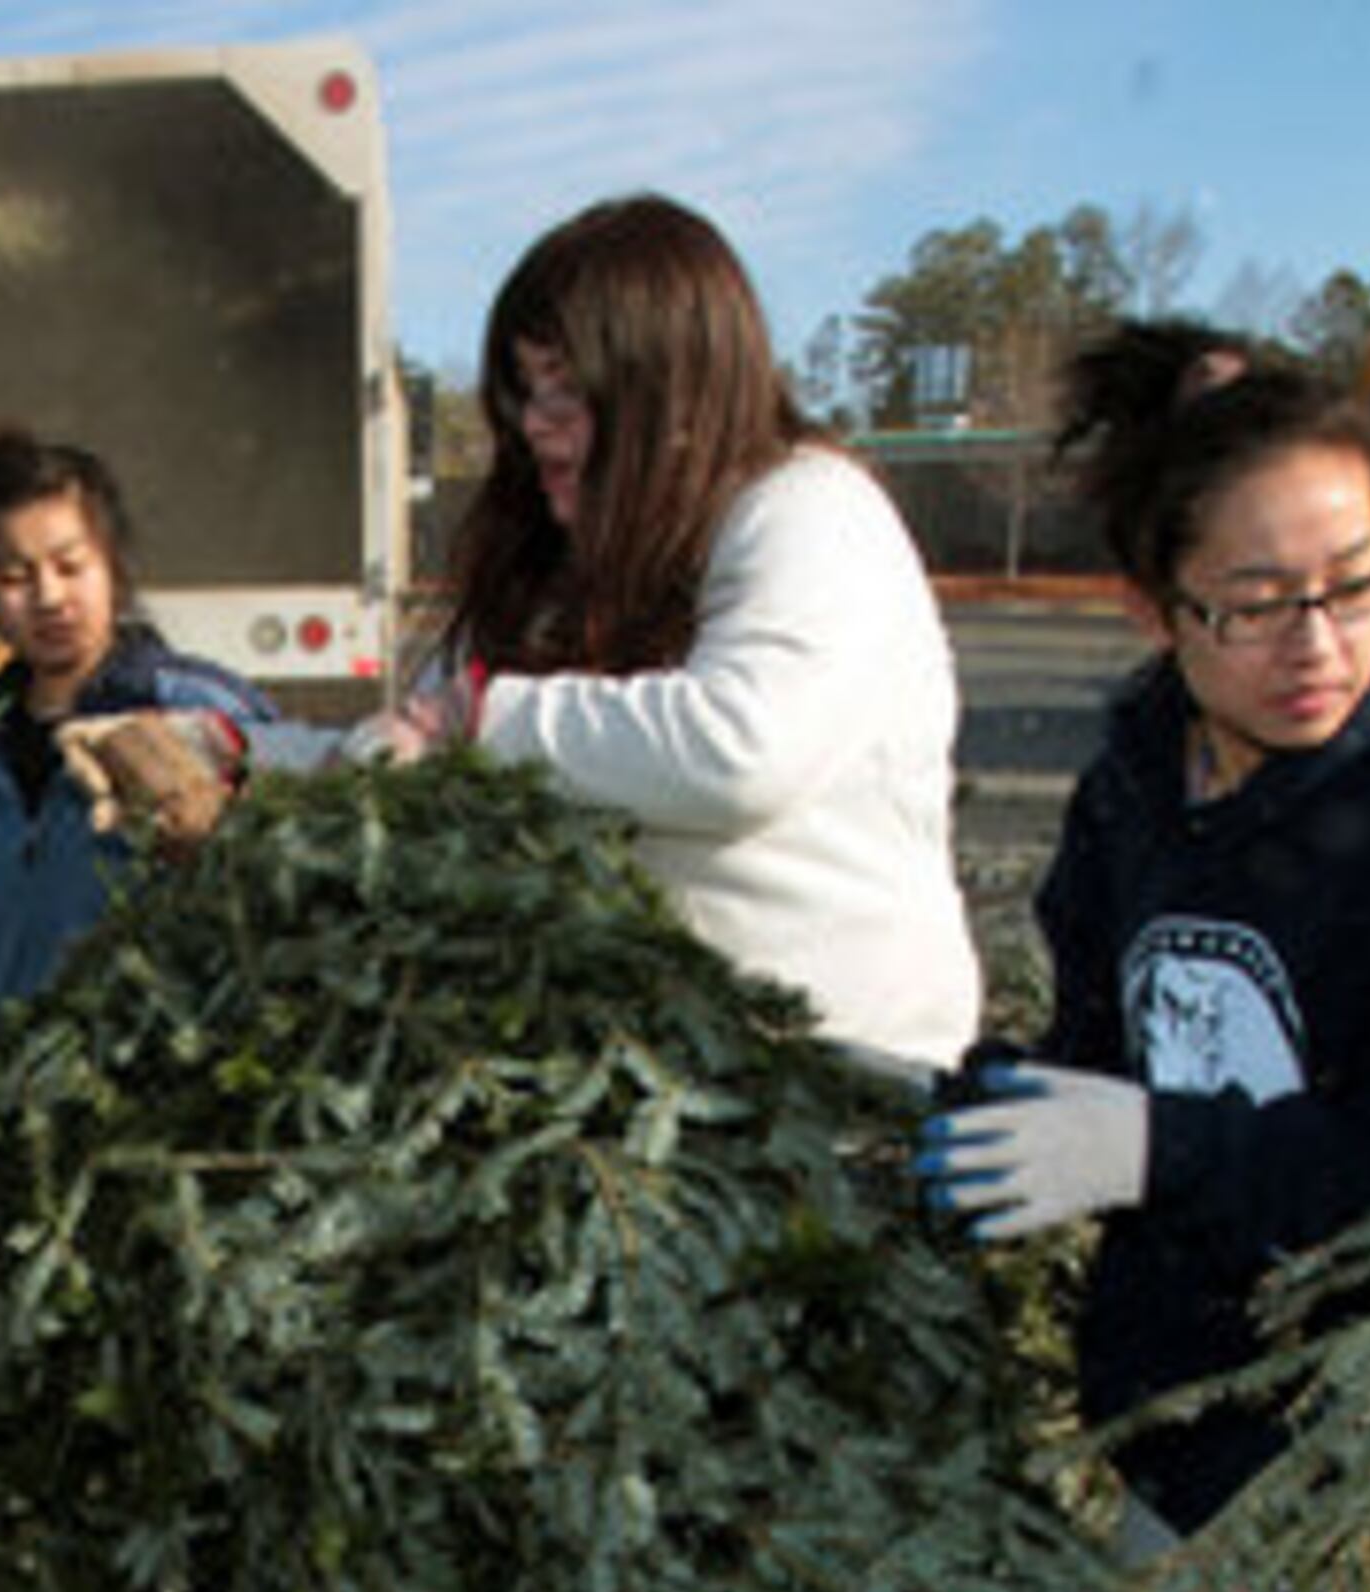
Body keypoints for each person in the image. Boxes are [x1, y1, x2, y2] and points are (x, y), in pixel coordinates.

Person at [919, 322, 1370, 1545]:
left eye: (1355, 584)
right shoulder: (1134, 787)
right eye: (1258, 605)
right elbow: (1108, 1044)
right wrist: (1018, 1109)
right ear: (1153, 609)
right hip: (1178, 1432)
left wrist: (1160, 1147)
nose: (1318, 645)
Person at [372, 194, 981, 1077]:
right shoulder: (561, 551)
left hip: (837, 1077)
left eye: (568, 388)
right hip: (638, 1077)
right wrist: (244, 761)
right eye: (525, 388)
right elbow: (418, 730)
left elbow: (740, 753)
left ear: (675, 392)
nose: (536, 421)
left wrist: (484, 718)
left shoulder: (808, 511)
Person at [0, 430, 311, 1282]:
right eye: (14, 577)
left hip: (155, 1131)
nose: (48, 597)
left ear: (112, 563)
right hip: (13, 1122)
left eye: (69, 565)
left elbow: (295, 877)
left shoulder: (191, 713)